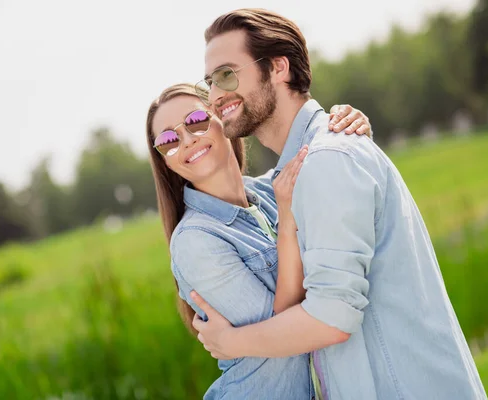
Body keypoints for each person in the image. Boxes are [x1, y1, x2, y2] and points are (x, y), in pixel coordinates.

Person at [189, 8, 488, 400]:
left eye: (227, 75)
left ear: (278, 67)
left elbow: (332, 318)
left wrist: (232, 343)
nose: (215, 96)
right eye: (209, 82)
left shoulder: (327, 160)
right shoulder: (305, 165)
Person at [146, 83, 372, 399]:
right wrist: (287, 223)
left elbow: (325, 155)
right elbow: (286, 333)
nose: (186, 140)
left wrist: (346, 122)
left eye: (195, 121)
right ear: (165, 160)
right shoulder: (194, 242)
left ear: (222, 118)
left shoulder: (272, 191)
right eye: (168, 140)